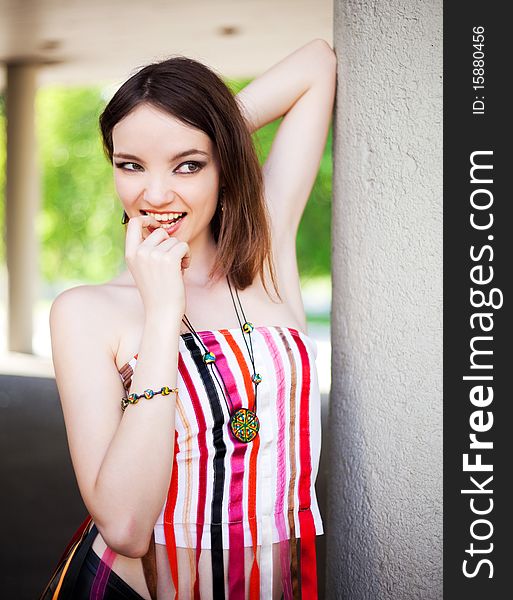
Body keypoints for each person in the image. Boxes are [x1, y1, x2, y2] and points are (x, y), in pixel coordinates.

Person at [49, 38, 336, 600]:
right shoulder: (86, 312)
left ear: (222, 163)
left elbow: (315, 65)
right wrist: (161, 315)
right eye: (131, 165)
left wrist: (210, 132)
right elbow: (126, 528)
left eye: (188, 165)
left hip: (279, 580)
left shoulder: (264, 258)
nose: (154, 193)